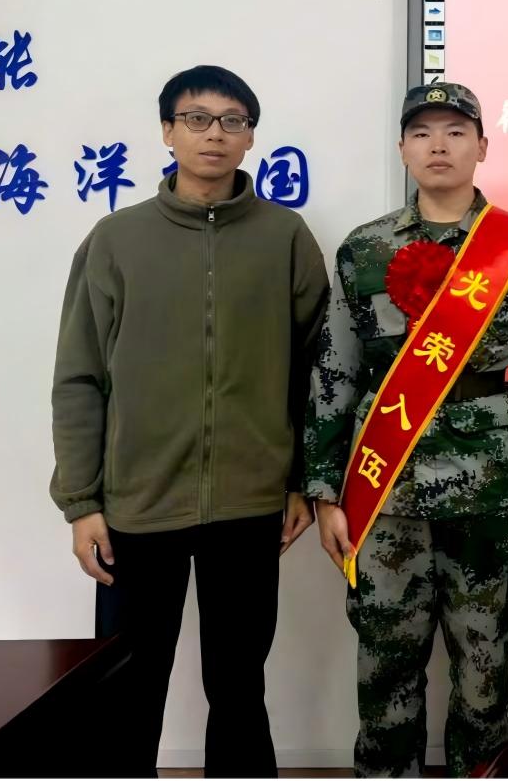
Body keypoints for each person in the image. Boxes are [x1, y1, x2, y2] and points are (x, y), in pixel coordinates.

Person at [50, 64, 329, 777]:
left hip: (249, 503)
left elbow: (316, 373)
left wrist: (300, 481)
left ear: (250, 137)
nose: (214, 134)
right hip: (137, 504)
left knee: (238, 686)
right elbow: (79, 377)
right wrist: (82, 502)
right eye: (196, 118)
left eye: (232, 121)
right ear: (167, 131)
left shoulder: (284, 237)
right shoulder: (117, 239)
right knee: (127, 687)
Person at [306, 82, 508, 777]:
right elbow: (335, 370)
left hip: (490, 486)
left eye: (455, 132)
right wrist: (324, 489)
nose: (438, 145)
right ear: (402, 147)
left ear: (482, 146)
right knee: (385, 667)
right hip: (383, 486)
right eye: (422, 132)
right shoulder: (364, 249)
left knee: (484, 668)